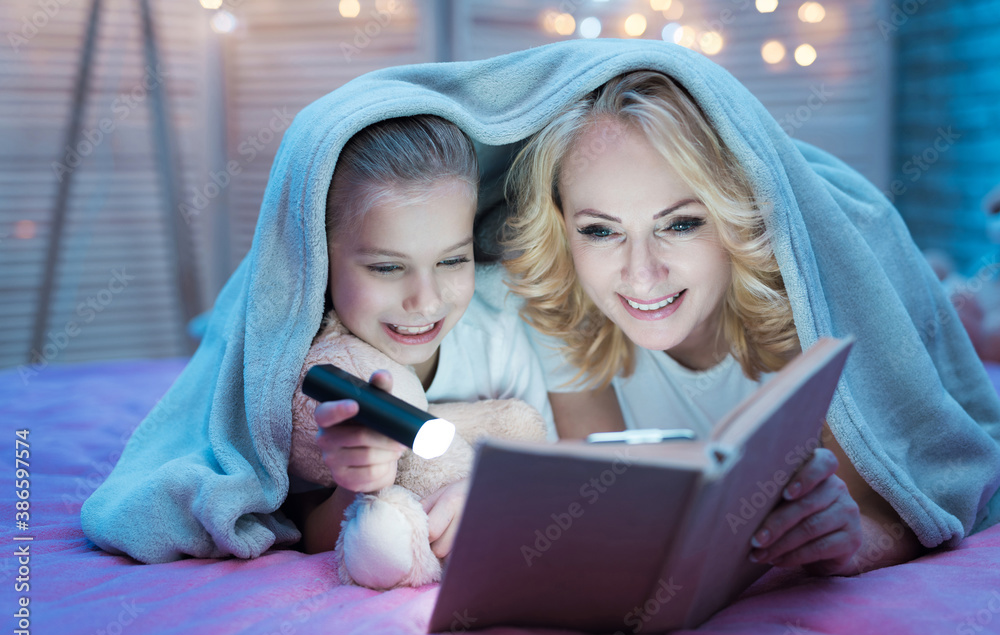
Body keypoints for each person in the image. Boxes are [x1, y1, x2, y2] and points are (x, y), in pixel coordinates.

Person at [502, 70, 921, 575]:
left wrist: (849, 539)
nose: (641, 273)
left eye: (680, 223)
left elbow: (903, 514)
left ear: (737, 216)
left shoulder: (810, 312)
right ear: (563, 229)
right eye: (599, 230)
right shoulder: (563, 315)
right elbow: (613, 515)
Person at [286, 115, 556, 558]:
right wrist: (354, 489)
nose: (426, 303)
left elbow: (542, 473)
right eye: (388, 268)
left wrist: (492, 496)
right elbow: (305, 533)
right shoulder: (313, 375)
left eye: (452, 261)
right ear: (320, 257)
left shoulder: (498, 331)